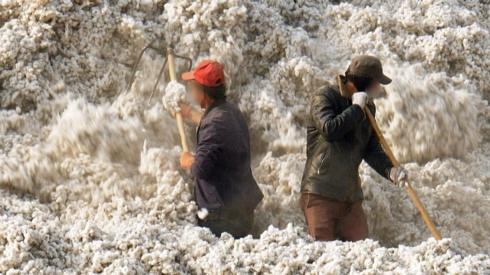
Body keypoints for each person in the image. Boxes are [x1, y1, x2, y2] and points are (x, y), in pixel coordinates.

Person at [300, 55, 408, 241]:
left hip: (350, 198)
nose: (378, 88)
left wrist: (389, 170)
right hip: (320, 193)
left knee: (362, 250)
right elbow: (329, 130)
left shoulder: (368, 107)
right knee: (322, 252)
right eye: (376, 83)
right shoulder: (325, 97)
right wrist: (355, 109)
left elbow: (371, 148)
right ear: (365, 82)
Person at [177, 59, 263, 238]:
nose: (191, 92)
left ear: (203, 92)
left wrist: (188, 160)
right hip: (241, 210)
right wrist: (190, 114)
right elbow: (216, 128)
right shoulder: (230, 112)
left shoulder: (214, 124)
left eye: (193, 87)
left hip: (221, 218)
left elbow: (201, 168)